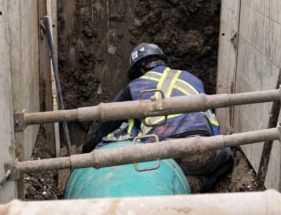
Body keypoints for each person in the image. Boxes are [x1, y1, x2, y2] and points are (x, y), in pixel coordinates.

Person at [81, 42, 234, 191]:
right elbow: (212, 122)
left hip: (160, 158)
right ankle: (200, 183)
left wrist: (86, 152)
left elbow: (105, 120)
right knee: (228, 155)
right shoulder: (192, 79)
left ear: (140, 71)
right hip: (199, 151)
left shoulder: (135, 86)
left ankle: (183, 184)